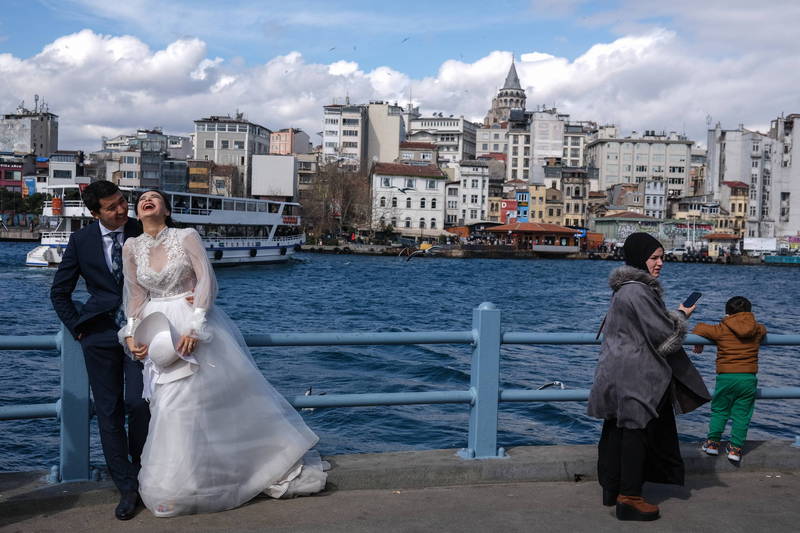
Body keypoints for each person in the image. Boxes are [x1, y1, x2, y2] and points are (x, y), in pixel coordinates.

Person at [121, 190, 326, 517]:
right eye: (142, 198)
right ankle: (182, 484)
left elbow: (205, 280)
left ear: (166, 208)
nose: (148, 200)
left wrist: (195, 324)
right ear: (137, 210)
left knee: (191, 406)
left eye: (155, 197)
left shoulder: (186, 236)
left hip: (190, 326)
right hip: (156, 332)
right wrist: (131, 333)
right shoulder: (131, 247)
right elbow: (134, 293)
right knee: (164, 407)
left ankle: (195, 482)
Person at [587, 233, 711, 522]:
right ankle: (629, 498)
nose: (660, 263)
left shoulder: (625, 289)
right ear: (639, 257)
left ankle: (613, 489)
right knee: (635, 432)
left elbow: (643, 323)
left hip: (617, 370)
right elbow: (666, 336)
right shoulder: (638, 291)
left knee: (616, 431)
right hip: (636, 374)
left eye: (662, 257)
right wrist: (681, 318)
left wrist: (674, 313)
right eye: (654, 257)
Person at [50, 181, 150, 521]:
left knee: (140, 404)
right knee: (108, 413)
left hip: (142, 332)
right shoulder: (81, 241)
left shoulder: (141, 229)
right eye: (112, 207)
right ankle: (126, 488)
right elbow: (59, 292)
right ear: (95, 214)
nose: (122, 209)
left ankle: (145, 475)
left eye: (123, 201)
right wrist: (78, 327)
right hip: (100, 334)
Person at [693, 296, 766, 463]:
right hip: (748, 378)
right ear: (750, 312)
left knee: (720, 410)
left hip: (726, 377)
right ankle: (735, 449)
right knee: (742, 415)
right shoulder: (757, 329)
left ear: (728, 313)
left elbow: (700, 327)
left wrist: (699, 342)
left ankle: (712, 444)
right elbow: (764, 329)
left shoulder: (722, 328)